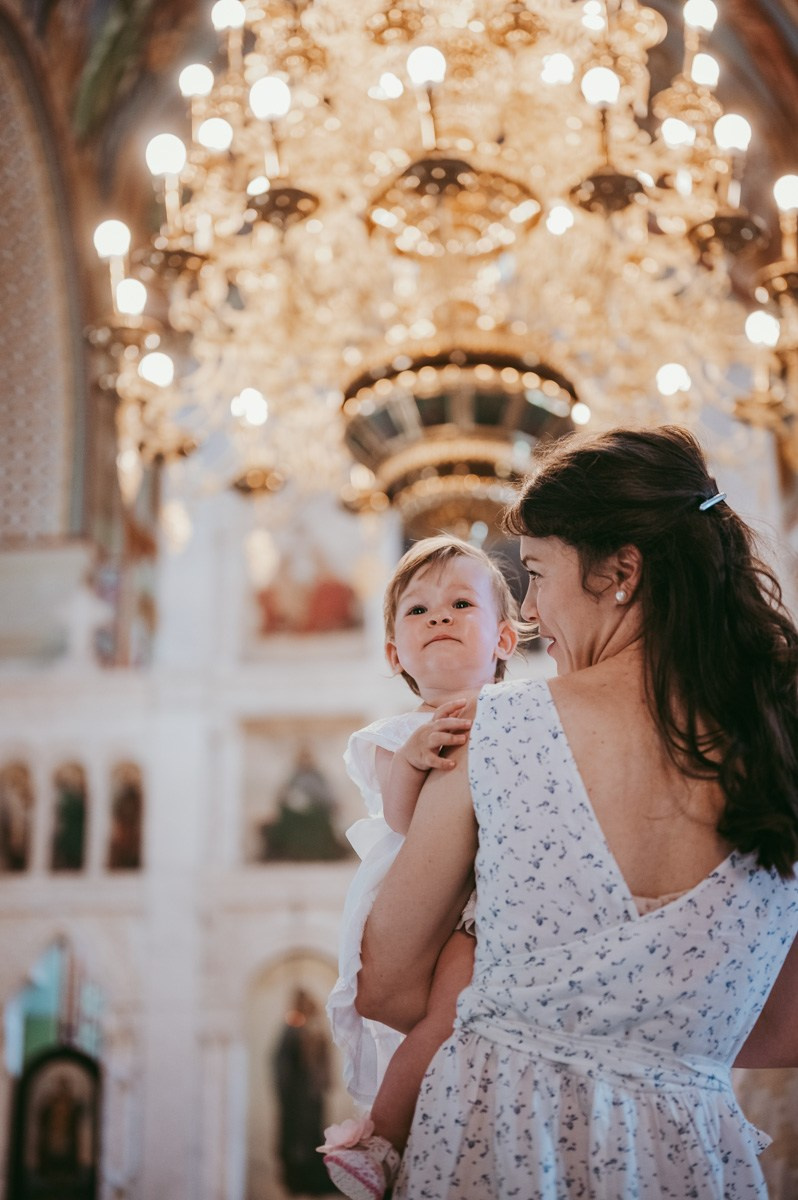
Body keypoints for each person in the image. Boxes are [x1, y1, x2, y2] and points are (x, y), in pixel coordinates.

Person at [356, 425, 798, 1199]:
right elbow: (785, 1026)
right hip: (685, 1158)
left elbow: (386, 986)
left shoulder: (495, 730)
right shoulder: (781, 743)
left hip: (498, 1142)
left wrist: (545, 1023)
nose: (527, 613)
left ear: (621, 572)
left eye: (535, 574)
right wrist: (651, 1040)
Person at [321, 537, 520, 1199]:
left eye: (461, 604)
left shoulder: (524, 716)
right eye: (418, 610)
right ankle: (379, 1138)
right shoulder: (392, 737)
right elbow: (404, 822)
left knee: (474, 1022)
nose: (439, 616)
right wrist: (413, 759)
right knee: (447, 1015)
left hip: (495, 895)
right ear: (393, 655)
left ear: (504, 639)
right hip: (434, 902)